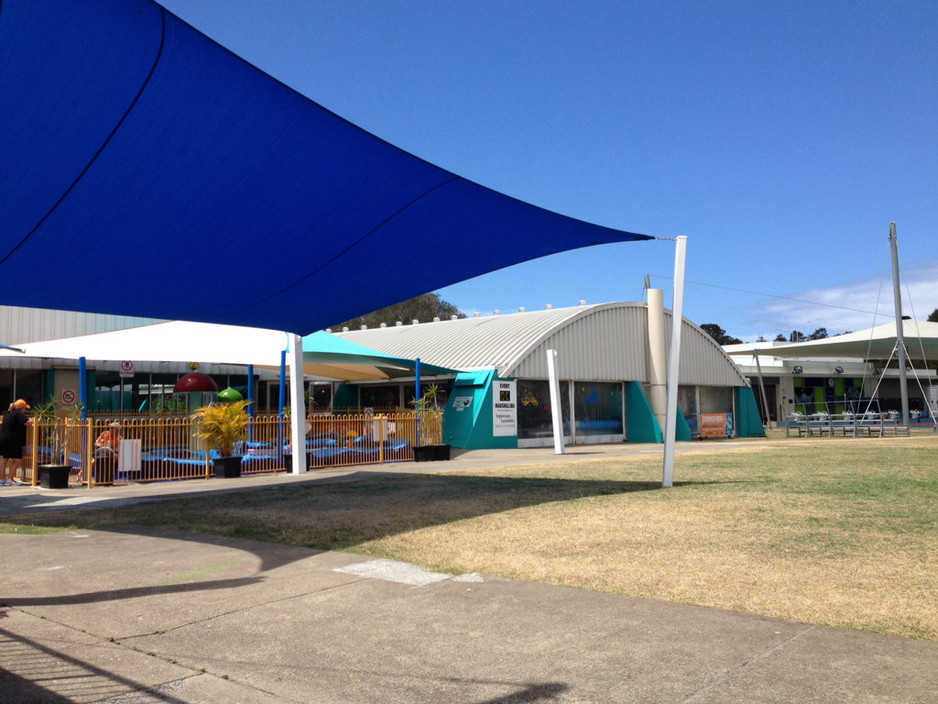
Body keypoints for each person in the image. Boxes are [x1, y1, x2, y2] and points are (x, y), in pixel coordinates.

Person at [0, 399, 31, 485]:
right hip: (13, 440)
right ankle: (10, 479)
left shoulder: (7, 414)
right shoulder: (18, 414)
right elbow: (27, 422)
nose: (25, 410)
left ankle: (2, 479)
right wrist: (33, 420)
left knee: (3, 459)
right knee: (18, 460)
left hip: (3, 439)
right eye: (25, 408)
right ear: (21, 408)